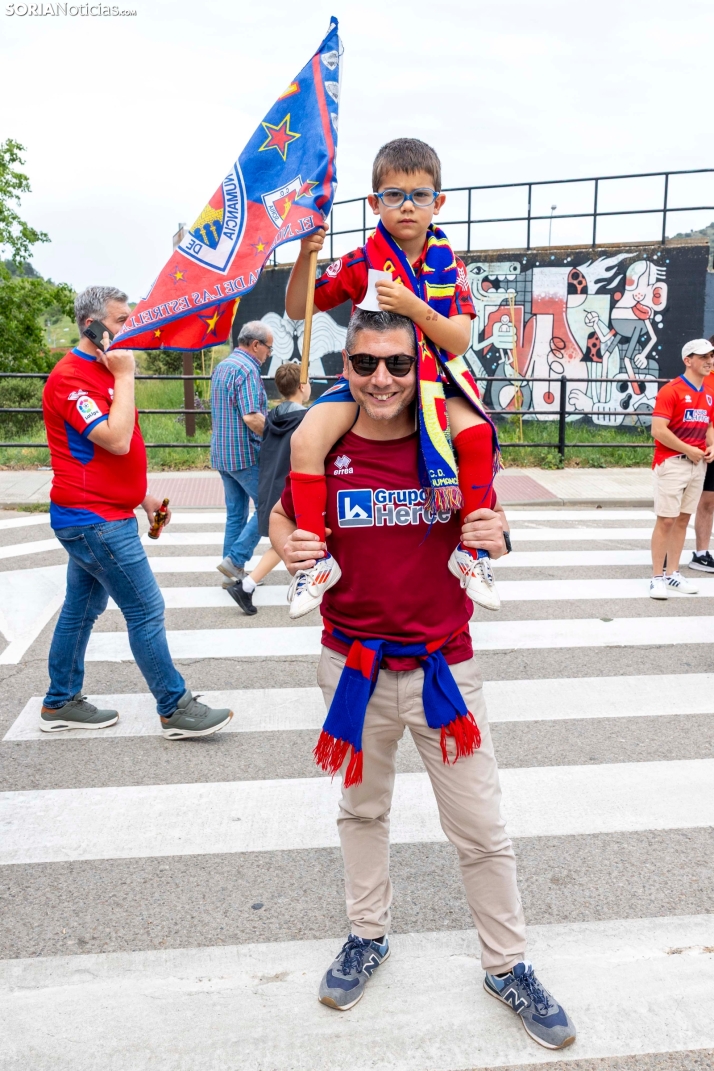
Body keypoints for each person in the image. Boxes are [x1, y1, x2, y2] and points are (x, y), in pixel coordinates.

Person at [270, 309, 575, 1051]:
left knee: (480, 830)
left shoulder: (448, 439)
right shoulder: (327, 444)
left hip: (444, 669)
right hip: (352, 668)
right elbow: (281, 522)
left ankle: (507, 964)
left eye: (398, 365)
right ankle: (366, 935)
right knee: (362, 810)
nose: (382, 379)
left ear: (420, 368)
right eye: (365, 364)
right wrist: (290, 544)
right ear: (346, 368)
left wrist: (500, 532)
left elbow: (490, 523)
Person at [283, 137, 500, 620]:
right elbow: (297, 308)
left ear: (438, 203)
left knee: (479, 434)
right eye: (393, 195)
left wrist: (412, 306)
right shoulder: (362, 261)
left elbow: (459, 340)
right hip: (373, 377)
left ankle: (474, 554)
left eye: (420, 195)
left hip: (437, 378)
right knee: (306, 439)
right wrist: (305, 253)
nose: (407, 206)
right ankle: (315, 560)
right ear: (373, 202)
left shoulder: (451, 267)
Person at [40, 286, 233, 738]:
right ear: (91, 325)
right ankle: (175, 708)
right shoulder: (71, 377)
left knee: (80, 609)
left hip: (103, 512)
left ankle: (60, 701)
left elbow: (112, 455)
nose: (129, 327)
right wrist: (126, 378)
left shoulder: (102, 369)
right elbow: (117, 439)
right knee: (146, 608)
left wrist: (141, 496)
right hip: (95, 521)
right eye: (120, 320)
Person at [228, 362, 310, 615]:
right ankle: (248, 585)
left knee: (293, 539)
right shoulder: (306, 419)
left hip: (273, 480)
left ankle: (251, 584)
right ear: (302, 386)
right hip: (294, 484)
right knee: (288, 540)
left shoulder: (273, 417)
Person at [649, 338, 714, 599]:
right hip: (671, 463)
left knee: (683, 520)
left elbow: (709, 425)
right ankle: (656, 577)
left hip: (697, 465)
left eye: (711, 356)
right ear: (688, 360)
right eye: (703, 357)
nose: (709, 361)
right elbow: (658, 430)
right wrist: (687, 449)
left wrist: (712, 446)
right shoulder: (671, 390)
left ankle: (673, 573)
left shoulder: (709, 393)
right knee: (666, 520)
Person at [211, 321, 271, 588]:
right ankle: (235, 560)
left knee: (235, 513)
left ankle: (231, 573)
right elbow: (251, 416)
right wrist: (274, 438)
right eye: (268, 348)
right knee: (268, 507)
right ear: (256, 345)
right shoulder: (248, 370)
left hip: (222, 453)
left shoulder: (223, 365)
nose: (268, 353)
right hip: (245, 455)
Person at [689, 334, 714, 572]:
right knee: (706, 501)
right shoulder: (704, 379)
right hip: (705, 448)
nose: (709, 360)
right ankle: (701, 553)